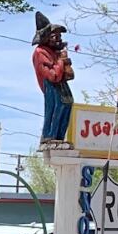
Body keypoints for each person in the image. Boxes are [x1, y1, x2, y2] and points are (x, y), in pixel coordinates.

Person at [32, 11, 75, 148]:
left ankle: (59, 137)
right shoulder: (41, 52)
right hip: (51, 85)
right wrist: (62, 61)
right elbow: (53, 76)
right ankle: (49, 136)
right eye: (54, 36)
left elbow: (68, 75)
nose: (58, 39)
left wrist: (64, 61)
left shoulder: (55, 52)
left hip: (61, 85)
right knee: (56, 106)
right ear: (45, 38)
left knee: (67, 103)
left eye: (59, 36)